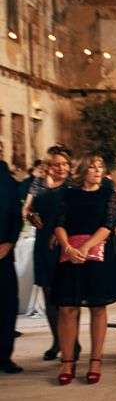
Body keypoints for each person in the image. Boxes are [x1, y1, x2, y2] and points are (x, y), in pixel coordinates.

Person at [53, 155, 116, 385]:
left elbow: (108, 226)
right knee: (67, 309)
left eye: (100, 166)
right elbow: (59, 224)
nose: (98, 170)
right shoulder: (67, 194)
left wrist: (85, 247)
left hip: (97, 255)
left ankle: (95, 361)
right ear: (82, 170)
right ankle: (67, 362)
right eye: (92, 167)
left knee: (97, 308)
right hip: (69, 254)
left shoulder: (108, 194)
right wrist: (69, 248)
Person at [22, 145, 77, 361]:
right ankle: (57, 341)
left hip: (64, 241)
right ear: (48, 166)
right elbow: (26, 208)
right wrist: (31, 215)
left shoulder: (72, 186)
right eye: (56, 164)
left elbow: (78, 214)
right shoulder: (38, 183)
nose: (61, 168)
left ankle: (73, 343)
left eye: (64, 164)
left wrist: (62, 234)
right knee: (49, 294)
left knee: (68, 295)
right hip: (43, 243)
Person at [0, 160, 23, 374]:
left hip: (3, 253)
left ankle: (4, 356)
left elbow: (16, 216)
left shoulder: (6, 179)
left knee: (7, 304)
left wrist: (9, 242)